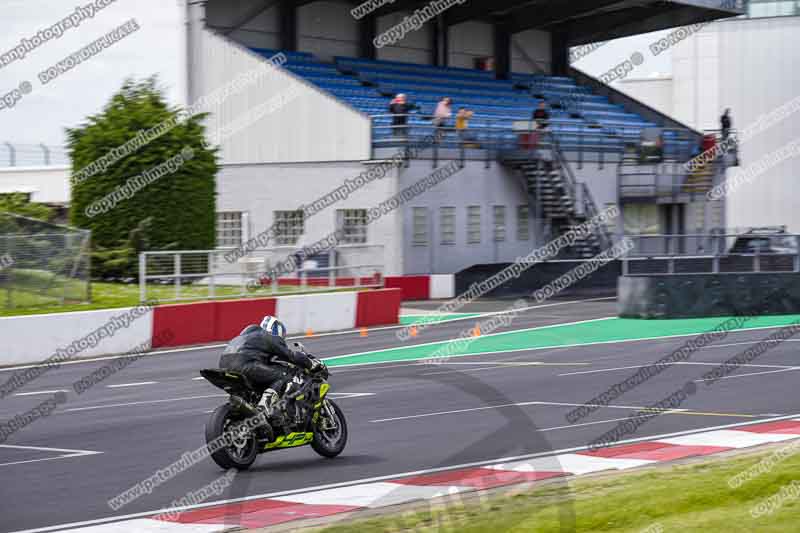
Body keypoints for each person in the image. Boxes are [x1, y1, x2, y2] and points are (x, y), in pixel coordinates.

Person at [218, 315, 326, 417]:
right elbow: (290, 355)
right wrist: (311, 363)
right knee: (284, 375)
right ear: (275, 329)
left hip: (224, 365)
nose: (282, 337)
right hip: (245, 364)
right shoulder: (268, 336)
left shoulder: (248, 338)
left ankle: (248, 409)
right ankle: (264, 406)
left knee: (255, 388)